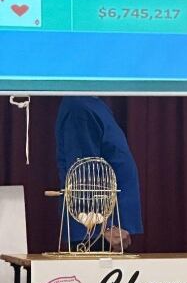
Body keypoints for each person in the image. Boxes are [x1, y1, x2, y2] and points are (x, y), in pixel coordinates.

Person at [55, 96, 143, 251]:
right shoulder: (79, 107)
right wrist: (104, 227)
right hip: (95, 233)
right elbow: (83, 173)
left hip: (107, 229)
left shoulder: (93, 104)